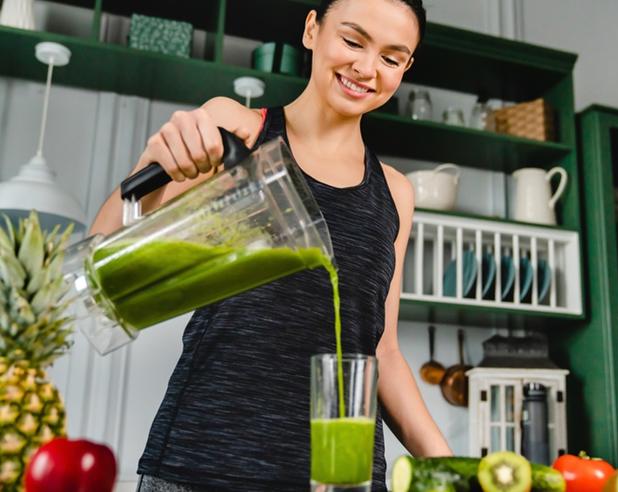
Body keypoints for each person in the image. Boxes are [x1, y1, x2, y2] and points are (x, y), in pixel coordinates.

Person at [89, 0, 452, 490]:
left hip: (342, 476)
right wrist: (154, 165)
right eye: (352, 40)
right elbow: (103, 252)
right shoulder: (238, 130)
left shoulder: (396, 193)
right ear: (311, 30)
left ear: (405, 68)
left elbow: (380, 352)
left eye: (391, 58)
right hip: (206, 465)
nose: (366, 68)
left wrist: (451, 469)